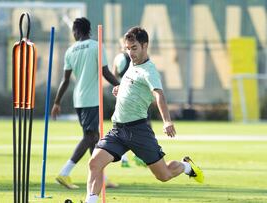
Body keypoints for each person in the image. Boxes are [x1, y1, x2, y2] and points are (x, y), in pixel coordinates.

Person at [85, 27, 204, 203]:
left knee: (164, 175)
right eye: (128, 48)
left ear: (145, 46)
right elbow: (134, 85)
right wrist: (121, 89)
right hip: (118, 130)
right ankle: (90, 201)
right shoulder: (132, 65)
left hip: (138, 131)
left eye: (134, 48)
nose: (130, 52)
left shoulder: (149, 70)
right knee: (94, 163)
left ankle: (187, 167)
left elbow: (158, 95)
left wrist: (167, 121)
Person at [51, 17, 120, 190]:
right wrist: (121, 85)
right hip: (92, 99)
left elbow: (65, 80)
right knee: (90, 137)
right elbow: (105, 72)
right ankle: (65, 172)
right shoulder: (96, 46)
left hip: (78, 99)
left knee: (93, 138)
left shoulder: (70, 50)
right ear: (88, 30)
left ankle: (100, 177)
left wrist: (57, 102)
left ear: (76, 31)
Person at [112, 38, 151, 168]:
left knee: (121, 126)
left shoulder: (118, 58)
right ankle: (139, 155)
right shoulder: (141, 58)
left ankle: (124, 159)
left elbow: (114, 75)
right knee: (140, 124)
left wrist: (118, 87)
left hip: (124, 95)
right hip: (138, 96)